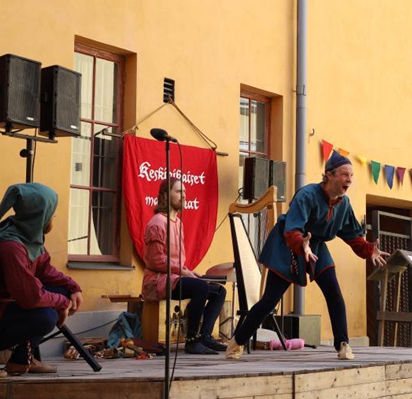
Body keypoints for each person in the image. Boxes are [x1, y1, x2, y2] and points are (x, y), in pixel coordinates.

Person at [225, 152, 389, 361]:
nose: (349, 179)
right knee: (269, 302)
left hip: (316, 246)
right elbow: (292, 230)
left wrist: (369, 249)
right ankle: (237, 341)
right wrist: (302, 245)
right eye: (344, 174)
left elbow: (352, 236)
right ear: (329, 175)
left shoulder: (344, 205)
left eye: (351, 175)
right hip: (288, 246)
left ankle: (342, 344)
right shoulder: (307, 195)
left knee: (334, 293)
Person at [0, 183, 82, 378]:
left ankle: (20, 360)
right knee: (45, 317)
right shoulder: (12, 246)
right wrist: (62, 303)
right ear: (39, 214)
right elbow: (30, 297)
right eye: (51, 212)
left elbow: (45, 270)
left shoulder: (28, 237)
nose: (53, 217)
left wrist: (73, 288)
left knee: (61, 292)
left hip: (4, 308)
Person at [143, 179, 227, 355]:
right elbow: (155, 261)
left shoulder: (178, 223)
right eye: (179, 192)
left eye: (185, 192)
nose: (184, 196)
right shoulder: (157, 222)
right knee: (200, 287)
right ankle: (191, 340)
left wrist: (190, 271)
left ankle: (204, 336)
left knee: (219, 291)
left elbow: (177, 260)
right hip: (158, 281)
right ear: (166, 195)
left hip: (174, 277)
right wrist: (183, 271)